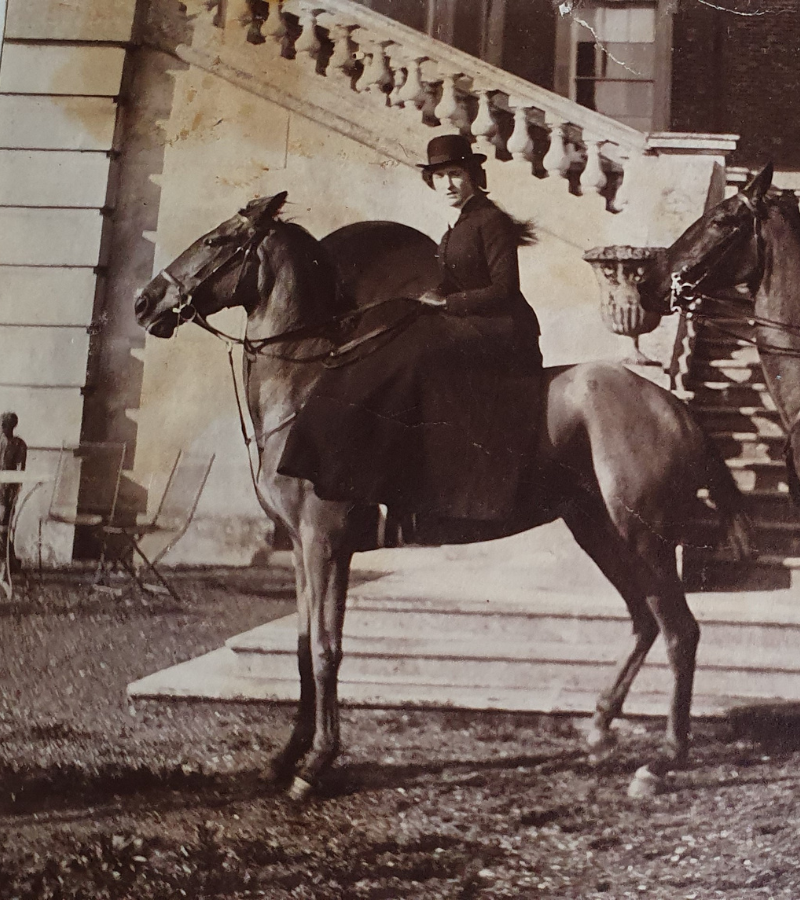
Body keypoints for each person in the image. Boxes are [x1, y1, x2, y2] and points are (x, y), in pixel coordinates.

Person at [278, 134, 544, 532]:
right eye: (440, 177)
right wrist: (425, 298)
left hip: (503, 329)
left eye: (455, 174)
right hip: (471, 321)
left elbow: (504, 290)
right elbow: (455, 280)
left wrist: (448, 303)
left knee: (413, 358)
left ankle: (411, 491)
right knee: (388, 340)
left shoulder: (491, 221)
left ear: (472, 175)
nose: (448, 184)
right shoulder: (458, 225)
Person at [0, 412, 27, 573]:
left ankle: (7, 562)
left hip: (7, 493)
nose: (3, 428)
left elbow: (20, 472)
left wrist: (14, 493)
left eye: (6, 425)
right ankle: (8, 560)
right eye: (2, 424)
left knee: (4, 526)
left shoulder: (19, 445)